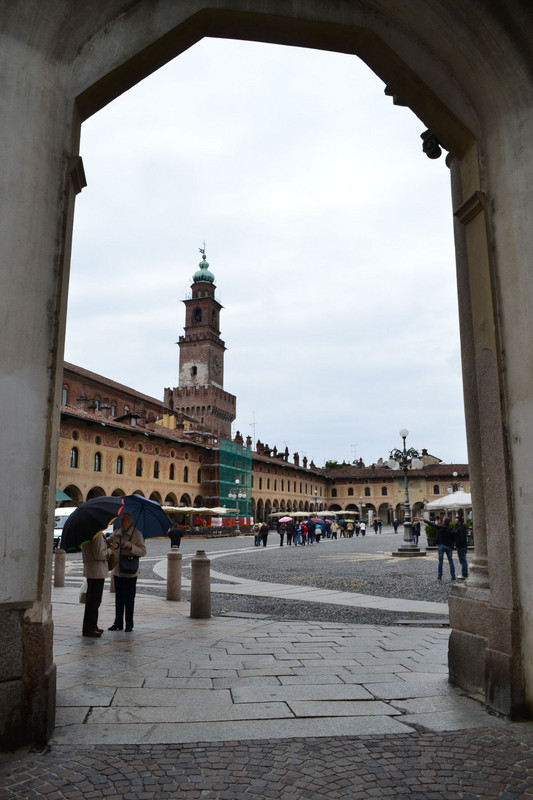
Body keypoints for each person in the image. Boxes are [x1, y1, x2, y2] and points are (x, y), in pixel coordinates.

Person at [108, 510, 146, 632]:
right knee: (118, 598)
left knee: (129, 599)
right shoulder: (117, 533)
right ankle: (118, 622)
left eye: (123, 520)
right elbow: (109, 541)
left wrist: (132, 547)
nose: (121, 522)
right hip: (118, 570)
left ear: (130, 522)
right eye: (121, 520)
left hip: (130, 572)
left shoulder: (137, 535)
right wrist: (106, 541)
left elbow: (143, 551)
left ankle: (129, 623)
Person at [81, 532, 111, 637]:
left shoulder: (88, 534)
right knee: (94, 601)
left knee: (92, 601)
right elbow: (99, 554)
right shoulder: (96, 535)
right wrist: (110, 550)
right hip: (97, 571)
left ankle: (92, 626)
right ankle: (90, 628)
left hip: (92, 570)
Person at [422, 516, 456, 581]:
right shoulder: (451, 529)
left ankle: (439, 576)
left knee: (440, 562)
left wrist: (424, 520)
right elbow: (454, 538)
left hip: (441, 545)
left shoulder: (440, 527)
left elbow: (432, 524)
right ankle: (453, 576)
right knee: (451, 561)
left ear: (444, 522)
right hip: (449, 546)